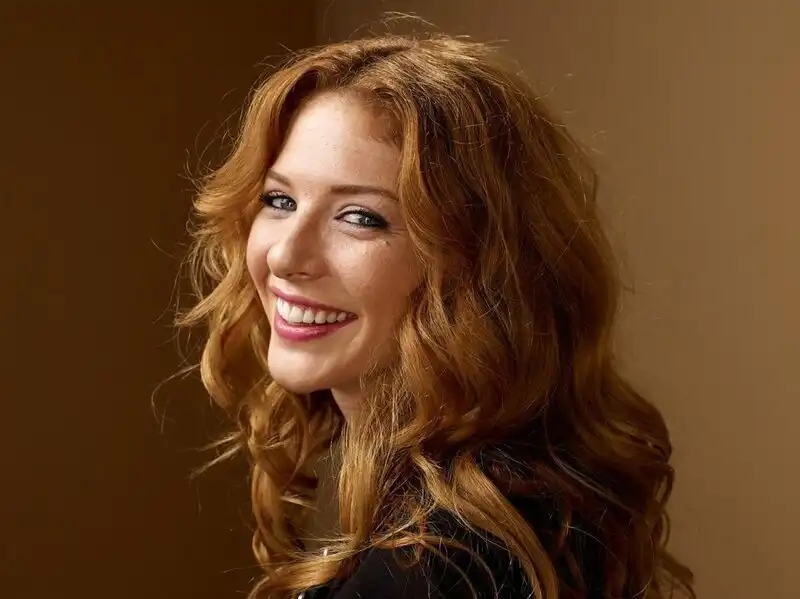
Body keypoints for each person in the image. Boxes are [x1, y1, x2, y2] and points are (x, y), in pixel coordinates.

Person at [178, 32, 695, 599]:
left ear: (478, 264)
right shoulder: (516, 507)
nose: (284, 256)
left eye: (360, 217)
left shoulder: (438, 568)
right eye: (280, 201)